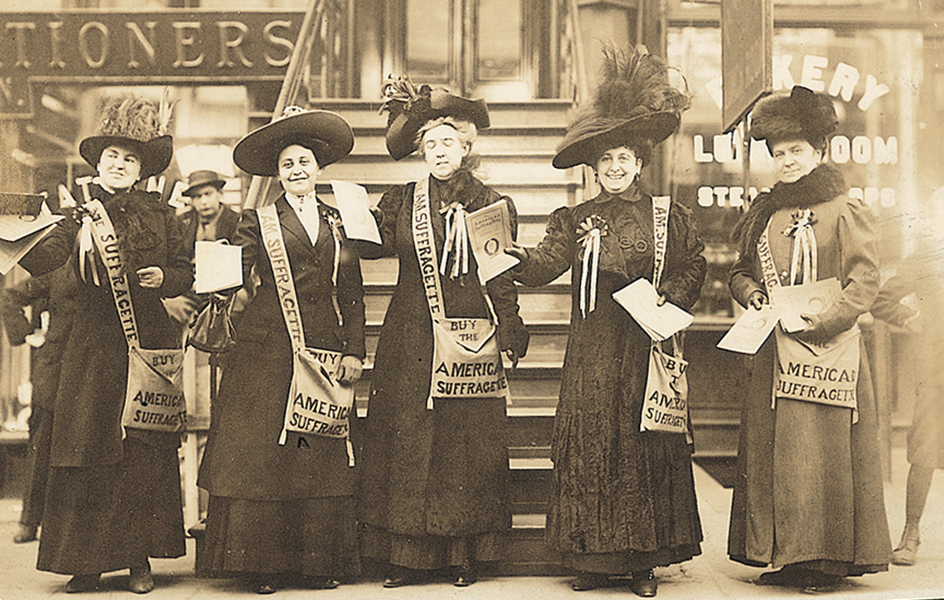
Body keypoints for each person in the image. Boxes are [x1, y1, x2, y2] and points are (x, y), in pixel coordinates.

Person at [504, 46, 704, 597]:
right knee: (593, 444)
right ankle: (592, 560)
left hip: (643, 348)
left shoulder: (668, 217)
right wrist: (508, 255)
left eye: (625, 160)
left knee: (641, 447)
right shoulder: (573, 219)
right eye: (607, 161)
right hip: (592, 352)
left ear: (639, 164)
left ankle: (642, 564)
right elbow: (545, 264)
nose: (615, 169)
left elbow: (694, 265)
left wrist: (670, 296)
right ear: (595, 168)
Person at [355, 77, 529, 588]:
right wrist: (348, 219)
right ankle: (406, 558)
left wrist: (511, 332)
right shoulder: (402, 200)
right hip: (410, 337)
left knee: (463, 447)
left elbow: (499, 273)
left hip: (471, 335)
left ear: (466, 146)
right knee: (407, 443)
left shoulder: (489, 203)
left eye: (447, 142)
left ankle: (462, 555)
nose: (438, 152)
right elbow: (373, 248)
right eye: (428, 145)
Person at [18, 93, 192, 594]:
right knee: (86, 451)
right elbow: (43, 259)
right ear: (98, 162)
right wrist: (16, 234)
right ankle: (86, 562)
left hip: (143, 344)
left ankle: (139, 561)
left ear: (141, 170)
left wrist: (167, 279)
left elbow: (185, 270)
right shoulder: (76, 215)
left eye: (130, 159)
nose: (119, 165)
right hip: (91, 349)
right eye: (112, 156)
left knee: (140, 450)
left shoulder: (162, 215)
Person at [726, 85, 892, 591]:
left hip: (831, 350)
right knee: (780, 456)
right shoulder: (764, 214)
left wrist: (825, 322)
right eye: (778, 155)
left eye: (796, 152)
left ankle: (827, 561)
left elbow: (865, 279)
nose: (786, 162)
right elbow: (740, 272)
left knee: (823, 456)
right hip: (777, 354)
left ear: (820, 152)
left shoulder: (845, 208)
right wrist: (752, 292)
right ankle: (787, 555)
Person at [196, 106, 365, 595]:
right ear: (277, 172)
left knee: (316, 452)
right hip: (266, 352)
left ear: (319, 168)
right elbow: (231, 272)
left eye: (305, 161)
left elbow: (350, 290)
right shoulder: (258, 221)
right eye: (287, 163)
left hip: (324, 348)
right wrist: (210, 274)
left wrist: (355, 348)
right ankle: (264, 568)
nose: (296, 170)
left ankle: (318, 564)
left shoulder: (339, 220)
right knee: (268, 458)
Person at [870, 224, 944, 566]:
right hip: (937, 369)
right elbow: (881, 300)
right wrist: (909, 316)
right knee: (924, 451)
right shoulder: (930, 256)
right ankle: (910, 533)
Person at [0, 264, 77, 545]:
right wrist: (28, 336)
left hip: (86, 371)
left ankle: (68, 525)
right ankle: (29, 521)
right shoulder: (54, 273)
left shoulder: (99, 274)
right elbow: (9, 297)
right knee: (41, 444)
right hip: (52, 373)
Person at [162, 169, 241, 326]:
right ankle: (180, 349)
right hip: (190, 288)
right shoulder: (183, 221)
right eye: (197, 197)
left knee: (236, 308)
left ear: (219, 194)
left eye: (208, 194)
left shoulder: (236, 221)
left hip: (228, 288)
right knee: (168, 308)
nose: (204, 201)